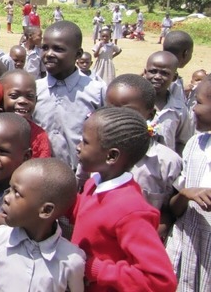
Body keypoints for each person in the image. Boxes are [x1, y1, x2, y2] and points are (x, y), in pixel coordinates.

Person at [71, 107, 177, 292]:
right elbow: (85, 216)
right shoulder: (95, 183)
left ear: (111, 156)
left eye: (85, 142)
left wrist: (95, 269)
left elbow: (160, 280)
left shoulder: (131, 211)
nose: (78, 146)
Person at [0, 158, 86, 292]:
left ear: (46, 210)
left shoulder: (72, 260)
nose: (6, 198)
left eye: (17, 193)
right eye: (9, 189)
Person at [106, 74, 182, 239]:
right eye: (111, 109)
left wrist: (160, 228)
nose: (117, 117)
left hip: (144, 241)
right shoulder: (95, 151)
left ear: (150, 114)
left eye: (128, 111)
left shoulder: (167, 161)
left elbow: (171, 209)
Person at [32, 21, 106, 176]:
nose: (49, 54)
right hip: (39, 175)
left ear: (78, 54)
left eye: (58, 49)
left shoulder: (96, 91)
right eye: (45, 48)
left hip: (81, 177)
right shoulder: (34, 89)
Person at [166, 74, 211, 291]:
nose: (193, 108)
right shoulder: (195, 145)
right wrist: (185, 194)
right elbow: (175, 208)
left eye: (199, 102)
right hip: (187, 249)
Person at [143, 51, 194, 155]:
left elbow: (183, 142)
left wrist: (176, 164)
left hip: (165, 168)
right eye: (153, 71)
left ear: (174, 77)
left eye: (164, 73)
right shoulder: (133, 103)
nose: (157, 76)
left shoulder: (179, 110)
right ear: (145, 72)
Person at [0, 70, 52, 158]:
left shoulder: (39, 136)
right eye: (14, 95)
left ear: (36, 100)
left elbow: (42, 168)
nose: (23, 101)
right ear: (1, 98)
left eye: (30, 96)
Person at [163, 30, 194, 104]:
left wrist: (183, 92)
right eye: (191, 53)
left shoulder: (154, 72)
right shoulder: (171, 80)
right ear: (185, 53)